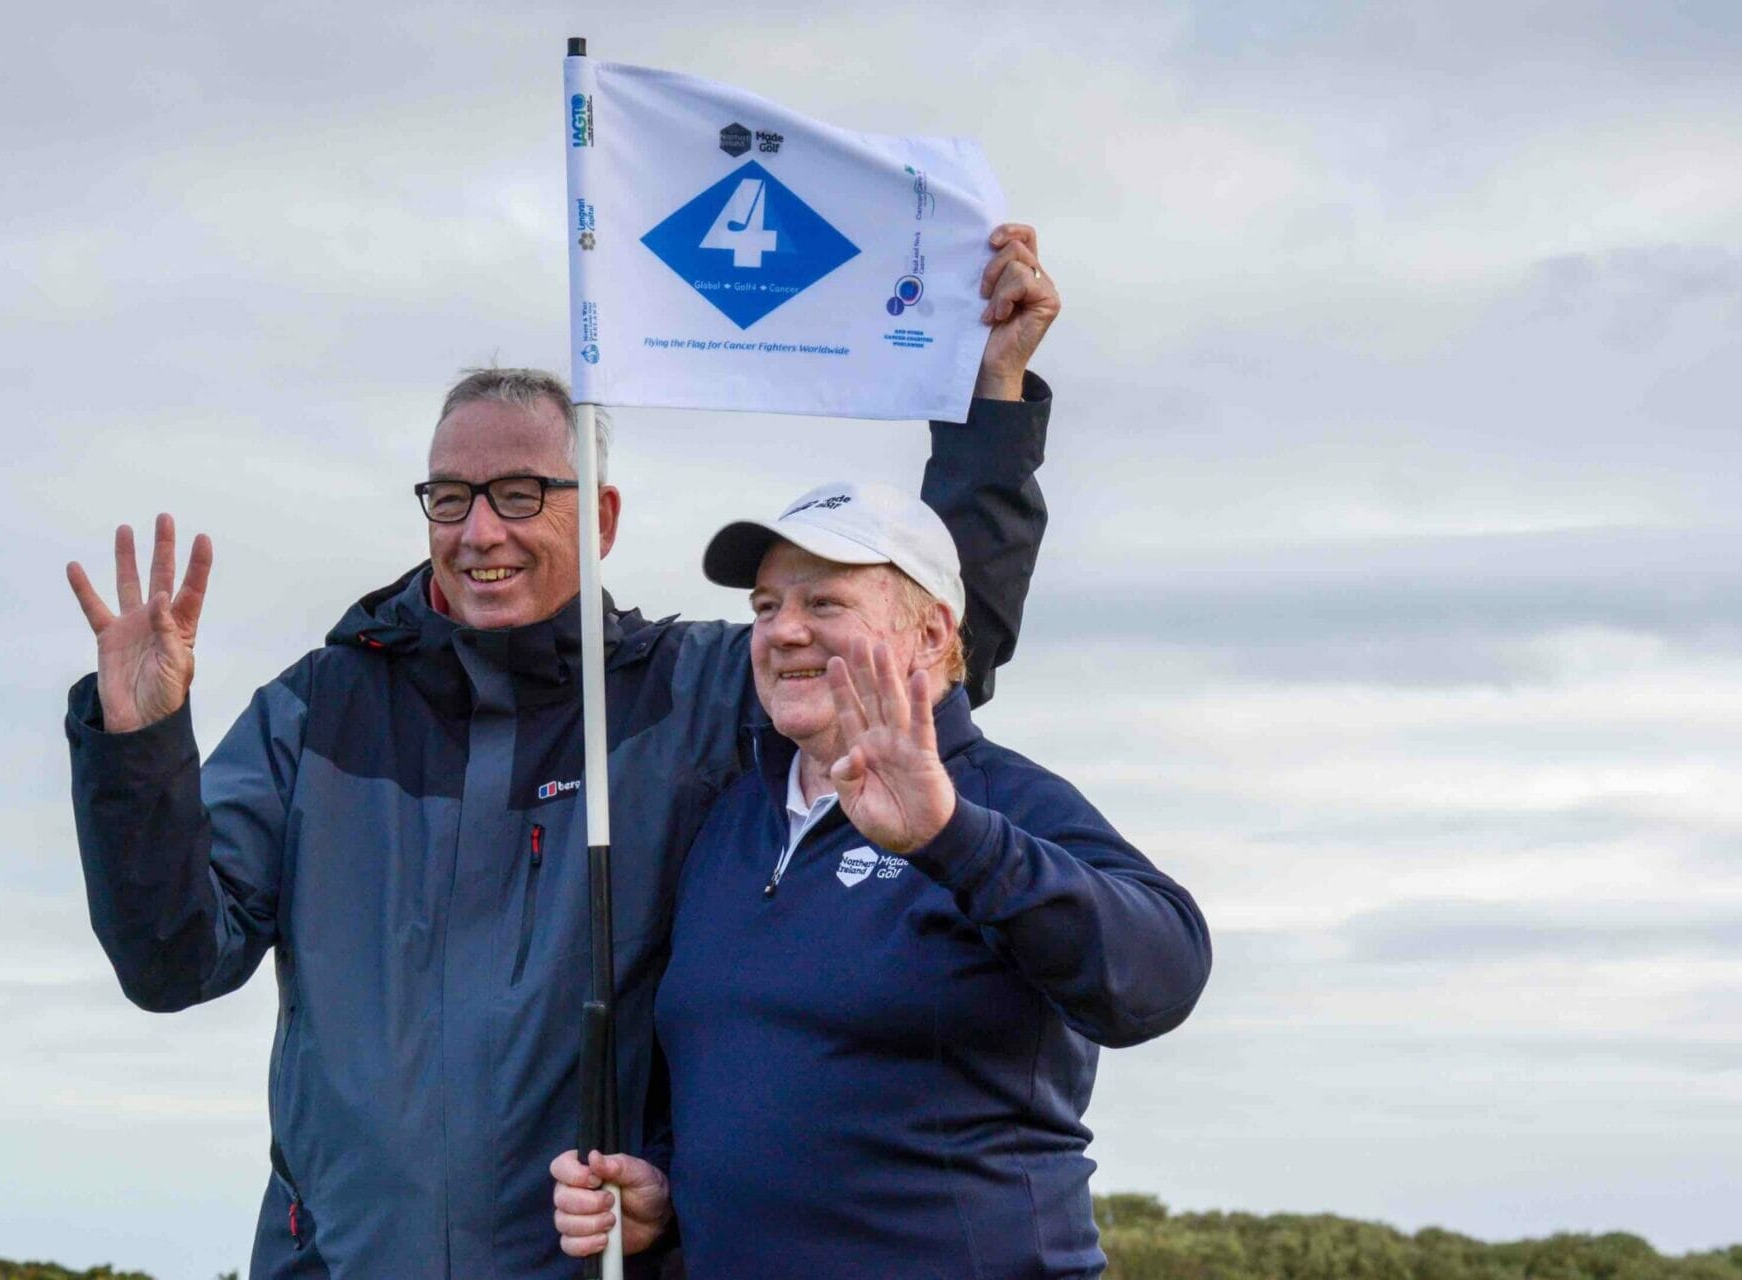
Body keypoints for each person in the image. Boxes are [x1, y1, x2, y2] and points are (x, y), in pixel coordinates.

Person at [63, 227, 1060, 1278]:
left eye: (520, 494)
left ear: (603, 518)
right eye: (451, 497)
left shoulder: (695, 696)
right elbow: (172, 959)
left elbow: (923, 650)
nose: (479, 531)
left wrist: (993, 404)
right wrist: (140, 745)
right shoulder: (319, 711)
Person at [550, 482, 1212, 1279]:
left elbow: (1162, 977)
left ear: (930, 633)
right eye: (765, 607)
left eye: (823, 602)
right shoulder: (731, 819)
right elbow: (736, 1078)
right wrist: (663, 1191)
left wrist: (953, 839)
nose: (782, 631)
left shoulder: (1002, 801)